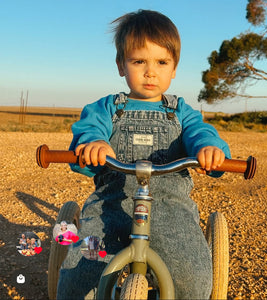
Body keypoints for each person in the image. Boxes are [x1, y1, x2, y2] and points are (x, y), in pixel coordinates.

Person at [57, 9, 231, 299]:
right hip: (110, 206)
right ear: (121, 65)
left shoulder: (181, 111)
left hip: (169, 206)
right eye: (139, 61)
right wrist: (93, 144)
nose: (151, 71)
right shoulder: (107, 108)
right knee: (79, 276)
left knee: (193, 279)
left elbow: (201, 133)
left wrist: (209, 149)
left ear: (174, 68)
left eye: (162, 62)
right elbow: (89, 130)